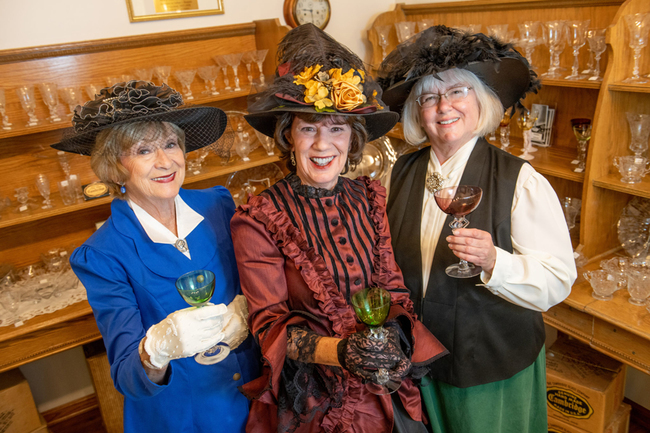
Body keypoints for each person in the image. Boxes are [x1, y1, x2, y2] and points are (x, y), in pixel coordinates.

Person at [232, 24, 447, 433]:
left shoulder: (369, 197)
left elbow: (393, 289)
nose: (321, 144)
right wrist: (344, 352)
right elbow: (271, 329)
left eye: (336, 128)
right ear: (288, 135)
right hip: (317, 400)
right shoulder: (259, 218)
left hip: (384, 389)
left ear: (353, 139)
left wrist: (393, 343)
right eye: (308, 128)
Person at [377, 25, 577, 433]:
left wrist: (494, 261)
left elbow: (558, 280)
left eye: (456, 92)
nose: (443, 106)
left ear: (481, 100)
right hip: (418, 361)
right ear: (417, 112)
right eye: (429, 97)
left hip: (490, 366)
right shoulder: (397, 172)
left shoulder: (521, 180)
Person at [53, 81, 259, 433]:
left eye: (170, 144)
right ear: (116, 167)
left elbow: (257, 276)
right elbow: (128, 379)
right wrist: (156, 349)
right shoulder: (101, 255)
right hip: (187, 418)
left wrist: (251, 308)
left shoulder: (217, 204)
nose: (165, 161)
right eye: (143, 150)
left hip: (258, 397)